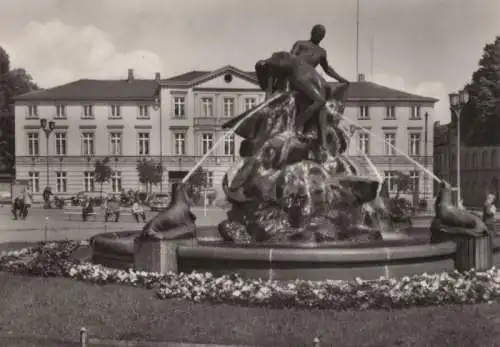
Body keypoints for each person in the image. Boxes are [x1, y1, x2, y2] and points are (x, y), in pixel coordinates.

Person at [254, 24, 350, 136]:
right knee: (319, 100)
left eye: (321, 34)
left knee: (322, 99)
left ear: (323, 37)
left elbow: (327, 68)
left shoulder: (322, 52)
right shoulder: (300, 44)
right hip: (294, 76)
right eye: (317, 32)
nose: (318, 35)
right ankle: (296, 123)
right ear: (312, 32)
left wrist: (341, 79)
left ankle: (305, 126)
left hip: (308, 80)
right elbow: (291, 59)